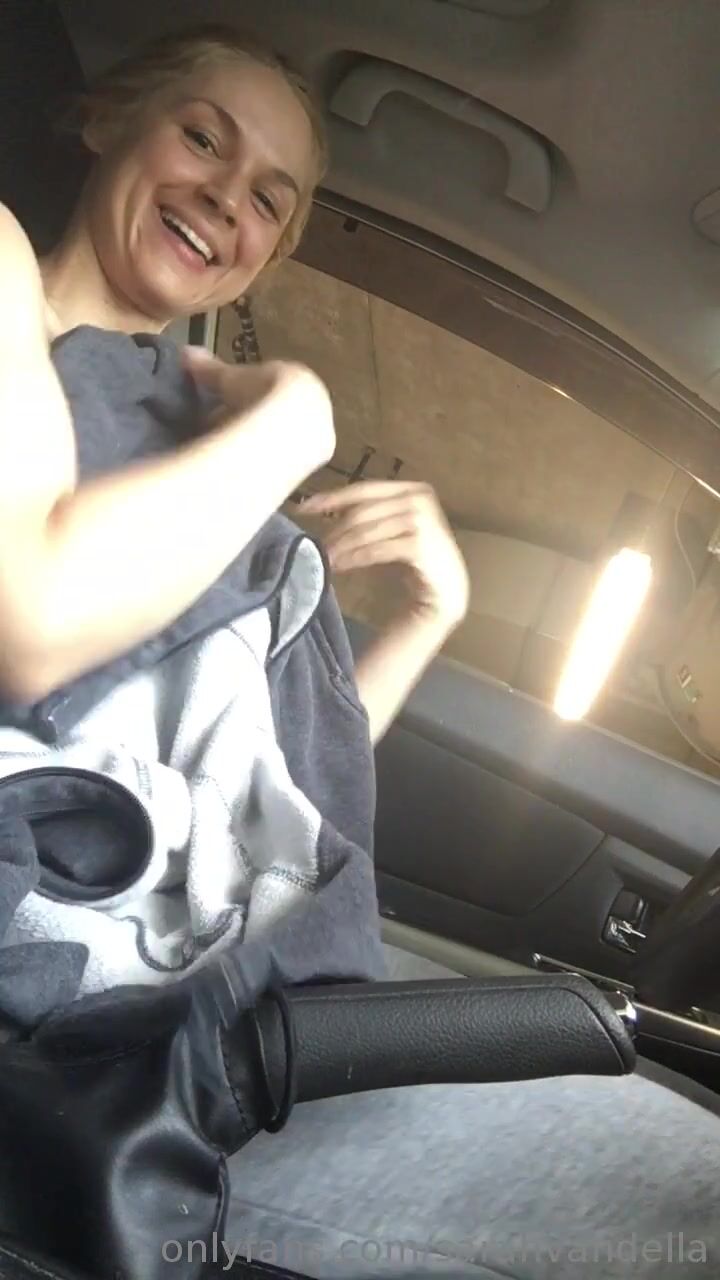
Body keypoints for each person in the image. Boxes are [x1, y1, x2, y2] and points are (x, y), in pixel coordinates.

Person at [0, 20, 718, 1280]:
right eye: (203, 137)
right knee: (691, 1202)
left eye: (269, 199)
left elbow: (263, 777)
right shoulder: (13, 272)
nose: (226, 199)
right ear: (104, 119)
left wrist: (427, 617)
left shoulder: (195, 425)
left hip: (263, 1012)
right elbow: (35, 619)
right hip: (117, 1065)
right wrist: (298, 417)